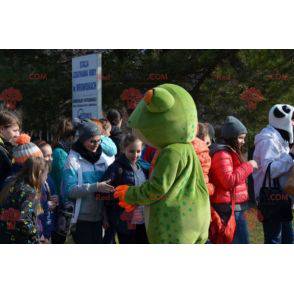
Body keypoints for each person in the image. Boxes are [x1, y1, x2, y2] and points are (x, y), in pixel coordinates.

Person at [61, 120, 114, 244]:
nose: (96, 144)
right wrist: (95, 187)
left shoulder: (103, 159)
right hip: (80, 219)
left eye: (99, 140)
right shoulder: (72, 160)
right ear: (82, 140)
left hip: (99, 219)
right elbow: (70, 191)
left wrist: (105, 215)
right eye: (92, 141)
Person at [209, 116, 258, 244]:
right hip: (228, 209)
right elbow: (228, 181)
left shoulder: (228, 152)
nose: (242, 141)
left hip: (233, 207)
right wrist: (249, 165)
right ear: (232, 137)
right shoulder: (222, 154)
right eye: (240, 137)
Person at [253, 104, 294, 244]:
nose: (293, 123)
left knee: (288, 240)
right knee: (274, 240)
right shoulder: (268, 140)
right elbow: (270, 170)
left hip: (282, 198)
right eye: (292, 119)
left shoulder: (281, 139)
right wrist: (292, 156)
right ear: (283, 120)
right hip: (271, 199)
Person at [102, 134, 148, 244]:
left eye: (138, 151)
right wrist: (105, 216)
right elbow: (103, 193)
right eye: (131, 151)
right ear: (123, 149)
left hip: (142, 219)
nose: (135, 155)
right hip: (125, 221)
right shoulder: (116, 168)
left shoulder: (143, 167)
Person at [0, 157, 49, 244]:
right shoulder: (30, 193)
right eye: (46, 174)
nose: (46, 178)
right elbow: (24, 220)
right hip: (21, 239)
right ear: (40, 173)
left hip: (5, 236)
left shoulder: (11, 185)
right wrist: (36, 236)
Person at [36, 140, 59, 244]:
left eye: (51, 155)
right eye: (47, 156)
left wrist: (57, 200)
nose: (51, 159)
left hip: (49, 226)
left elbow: (53, 196)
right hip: (40, 230)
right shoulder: (35, 180)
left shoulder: (49, 177)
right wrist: (46, 204)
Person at [51, 117, 76, 196]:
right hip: (61, 199)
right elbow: (62, 181)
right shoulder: (60, 153)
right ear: (70, 137)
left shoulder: (59, 150)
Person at [0, 110, 21, 189]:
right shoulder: (1, 151)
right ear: (2, 129)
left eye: (18, 130)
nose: (18, 134)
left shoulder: (6, 147)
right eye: (15, 131)